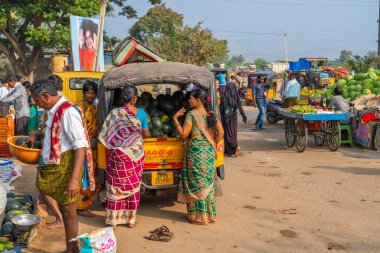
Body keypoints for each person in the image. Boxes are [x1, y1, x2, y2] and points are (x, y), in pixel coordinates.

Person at [28, 79, 95, 253]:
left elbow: (80, 146)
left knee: (69, 212)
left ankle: (71, 250)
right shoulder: (54, 110)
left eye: (37, 100)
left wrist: (73, 180)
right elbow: (55, 132)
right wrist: (38, 133)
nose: (36, 103)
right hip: (58, 165)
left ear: (46, 96)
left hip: (66, 167)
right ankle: (71, 248)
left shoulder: (68, 112)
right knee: (62, 206)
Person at [99, 85, 149, 229]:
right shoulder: (141, 113)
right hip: (135, 155)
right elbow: (146, 134)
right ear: (134, 98)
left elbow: (105, 135)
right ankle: (130, 220)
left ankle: (113, 221)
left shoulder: (114, 113)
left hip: (118, 156)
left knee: (115, 187)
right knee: (133, 187)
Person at [173, 89, 224, 224]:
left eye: (191, 98)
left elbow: (184, 134)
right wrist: (212, 142)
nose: (189, 100)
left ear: (198, 100)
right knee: (207, 183)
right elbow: (221, 132)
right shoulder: (211, 114)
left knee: (197, 184)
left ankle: (198, 217)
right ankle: (209, 215)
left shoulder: (191, 114)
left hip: (195, 151)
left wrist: (175, 119)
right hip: (208, 152)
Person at [76, 80, 100, 217]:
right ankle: (82, 206)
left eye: (93, 93)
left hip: (93, 147)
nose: (91, 95)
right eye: (88, 93)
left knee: (92, 175)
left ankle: (86, 204)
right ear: (83, 93)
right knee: (84, 176)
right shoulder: (80, 107)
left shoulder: (93, 107)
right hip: (84, 147)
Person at [220, 82, 247, 157]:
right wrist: (244, 117)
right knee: (233, 133)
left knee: (228, 134)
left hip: (226, 118)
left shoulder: (224, 97)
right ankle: (228, 149)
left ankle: (234, 147)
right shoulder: (236, 96)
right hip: (234, 118)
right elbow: (240, 107)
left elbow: (221, 109)